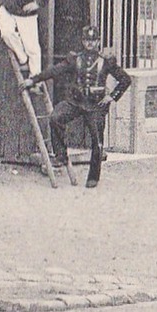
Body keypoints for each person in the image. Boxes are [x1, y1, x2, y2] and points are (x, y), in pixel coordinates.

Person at [25, 24, 132, 189]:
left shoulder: (106, 61)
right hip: (76, 102)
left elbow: (125, 79)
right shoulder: (75, 59)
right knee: (55, 117)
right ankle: (61, 155)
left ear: (97, 42)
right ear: (82, 42)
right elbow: (55, 70)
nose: (90, 43)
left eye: (93, 40)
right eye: (87, 40)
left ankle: (93, 177)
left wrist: (112, 97)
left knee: (97, 142)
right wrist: (34, 80)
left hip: (96, 105)